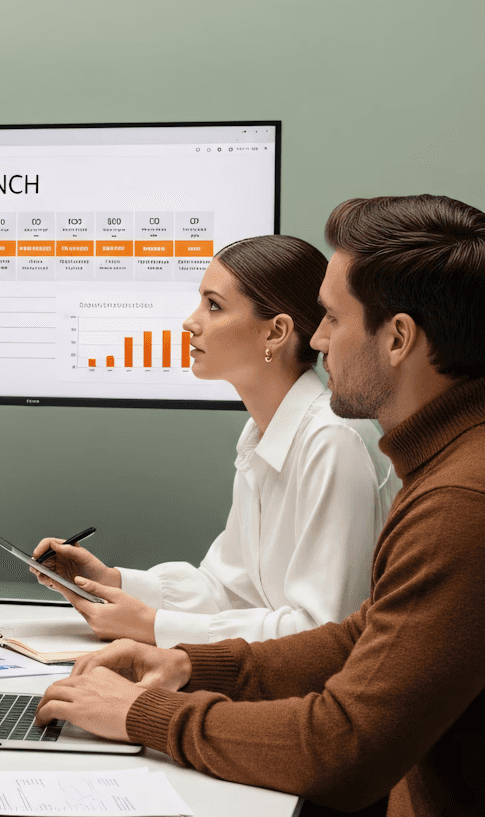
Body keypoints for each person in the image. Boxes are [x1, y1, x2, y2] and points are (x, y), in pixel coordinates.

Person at [34, 195, 485, 817]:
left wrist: (147, 712)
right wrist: (192, 665)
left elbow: (343, 745)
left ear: (399, 338)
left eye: (331, 318)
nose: (319, 338)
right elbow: (356, 636)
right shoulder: (448, 469)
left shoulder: (461, 500)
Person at [32, 234, 397, 648]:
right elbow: (228, 591)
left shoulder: (333, 440)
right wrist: (111, 581)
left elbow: (321, 633)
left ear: (276, 332)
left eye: (214, 305)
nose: (191, 321)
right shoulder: (263, 435)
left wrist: (152, 627)